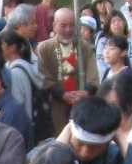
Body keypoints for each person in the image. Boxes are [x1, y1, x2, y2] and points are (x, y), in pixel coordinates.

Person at [34, 8, 95, 136]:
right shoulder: (44, 48)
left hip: (80, 103)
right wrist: (61, 94)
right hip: (55, 104)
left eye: (72, 25)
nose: (68, 30)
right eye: (63, 26)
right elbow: (43, 76)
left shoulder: (84, 47)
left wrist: (86, 92)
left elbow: (92, 74)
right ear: (54, 26)